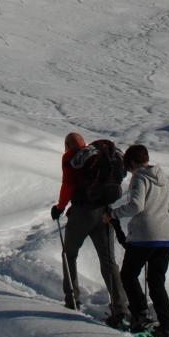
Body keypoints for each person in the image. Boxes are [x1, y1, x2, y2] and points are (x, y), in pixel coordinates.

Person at [50, 132, 129, 327]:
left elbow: (68, 185)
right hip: (105, 212)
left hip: (82, 212)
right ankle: (121, 309)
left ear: (67, 145)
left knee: (69, 254)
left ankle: (72, 301)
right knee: (108, 260)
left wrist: (60, 208)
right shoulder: (98, 156)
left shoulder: (71, 158)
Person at [104, 144, 169, 337]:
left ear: (133, 163)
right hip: (166, 237)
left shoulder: (140, 177)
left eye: (129, 167)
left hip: (145, 236)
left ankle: (141, 315)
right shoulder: (164, 177)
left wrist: (113, 213)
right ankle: (167, 326)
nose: (129, 172)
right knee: (156, 282)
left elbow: (137, 205)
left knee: (128, 275)